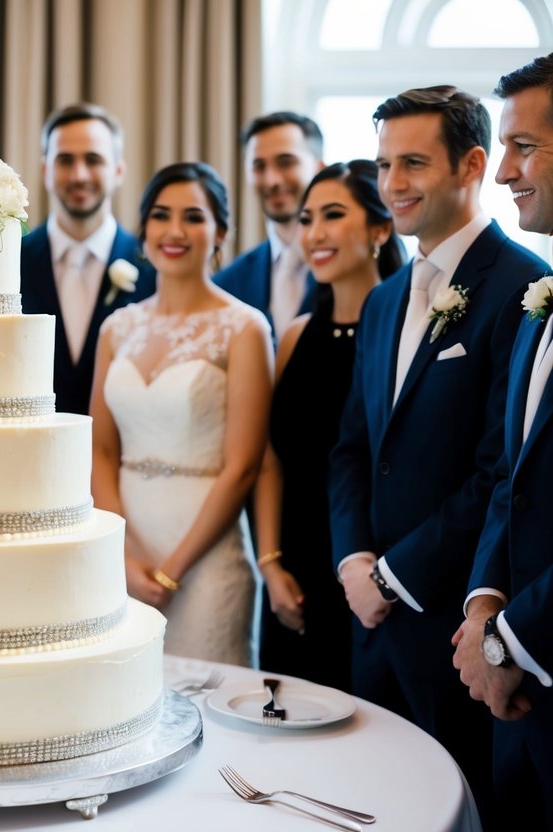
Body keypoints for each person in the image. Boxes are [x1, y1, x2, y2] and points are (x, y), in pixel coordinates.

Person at [328, 86, 549, 825]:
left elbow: (499, 468)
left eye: (413, 163)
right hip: (367, 620)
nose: (391, 183)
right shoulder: (385, 298)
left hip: (455, 629)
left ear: (472, 165)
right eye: (385, 164)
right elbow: (354, 449)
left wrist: (395, 577)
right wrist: (353, 562)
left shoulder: (521, 286)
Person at [91, 162, 272, 665]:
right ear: (143, 229)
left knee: (213, 708)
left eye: (193, 217)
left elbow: (244, 467)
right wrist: (121, 557)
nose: (174, 231)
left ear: (220, 233)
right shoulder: (117, 328)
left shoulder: (245, 328)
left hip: (207, 557)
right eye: (160, 216)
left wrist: (173, 569)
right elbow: (101, 451)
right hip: (125, 553)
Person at [254, 160, 404, 691]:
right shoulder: (293, 337)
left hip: (378, 579)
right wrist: (270, 566)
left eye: (333, 215)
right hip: (293, 577)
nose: (313, 233)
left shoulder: (406, 334)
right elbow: (270, 458)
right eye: (306, 218)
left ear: (380, 229)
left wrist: (377, 578)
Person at [452, 53, 553, 830]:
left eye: (524, 147)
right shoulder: (539, 303)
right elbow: (510, 481)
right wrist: (484, 602)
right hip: (517, 697)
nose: (505, 171)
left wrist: (506, 641)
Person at [21, 102, 156, 414]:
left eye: (93, 160)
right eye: (65, 160)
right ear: (45, 170)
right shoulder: (8, 263)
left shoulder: (152, 267)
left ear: (118, 170)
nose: (79, 175)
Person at [216, 112, 325, 338]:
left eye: (286, 162)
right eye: (259, 166)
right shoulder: (226, 284)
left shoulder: (351, 269)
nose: (272, 180)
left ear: (319, 167)